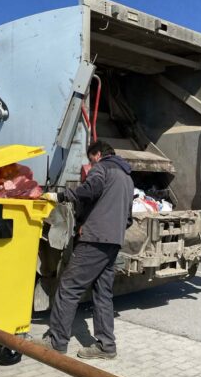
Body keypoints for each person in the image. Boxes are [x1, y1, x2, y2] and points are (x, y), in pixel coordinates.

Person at [40, 140, 134, 358]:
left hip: (95, 239)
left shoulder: (102, 167)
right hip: (113, 241)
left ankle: (56, 341)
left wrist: (61, 196)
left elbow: (90, 189)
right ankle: (106, 346)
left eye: (91, 159)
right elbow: (128, 218)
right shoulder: (127, 178)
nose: (90, 164)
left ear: (98, 154)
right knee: (103, 293)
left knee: (69, 287)